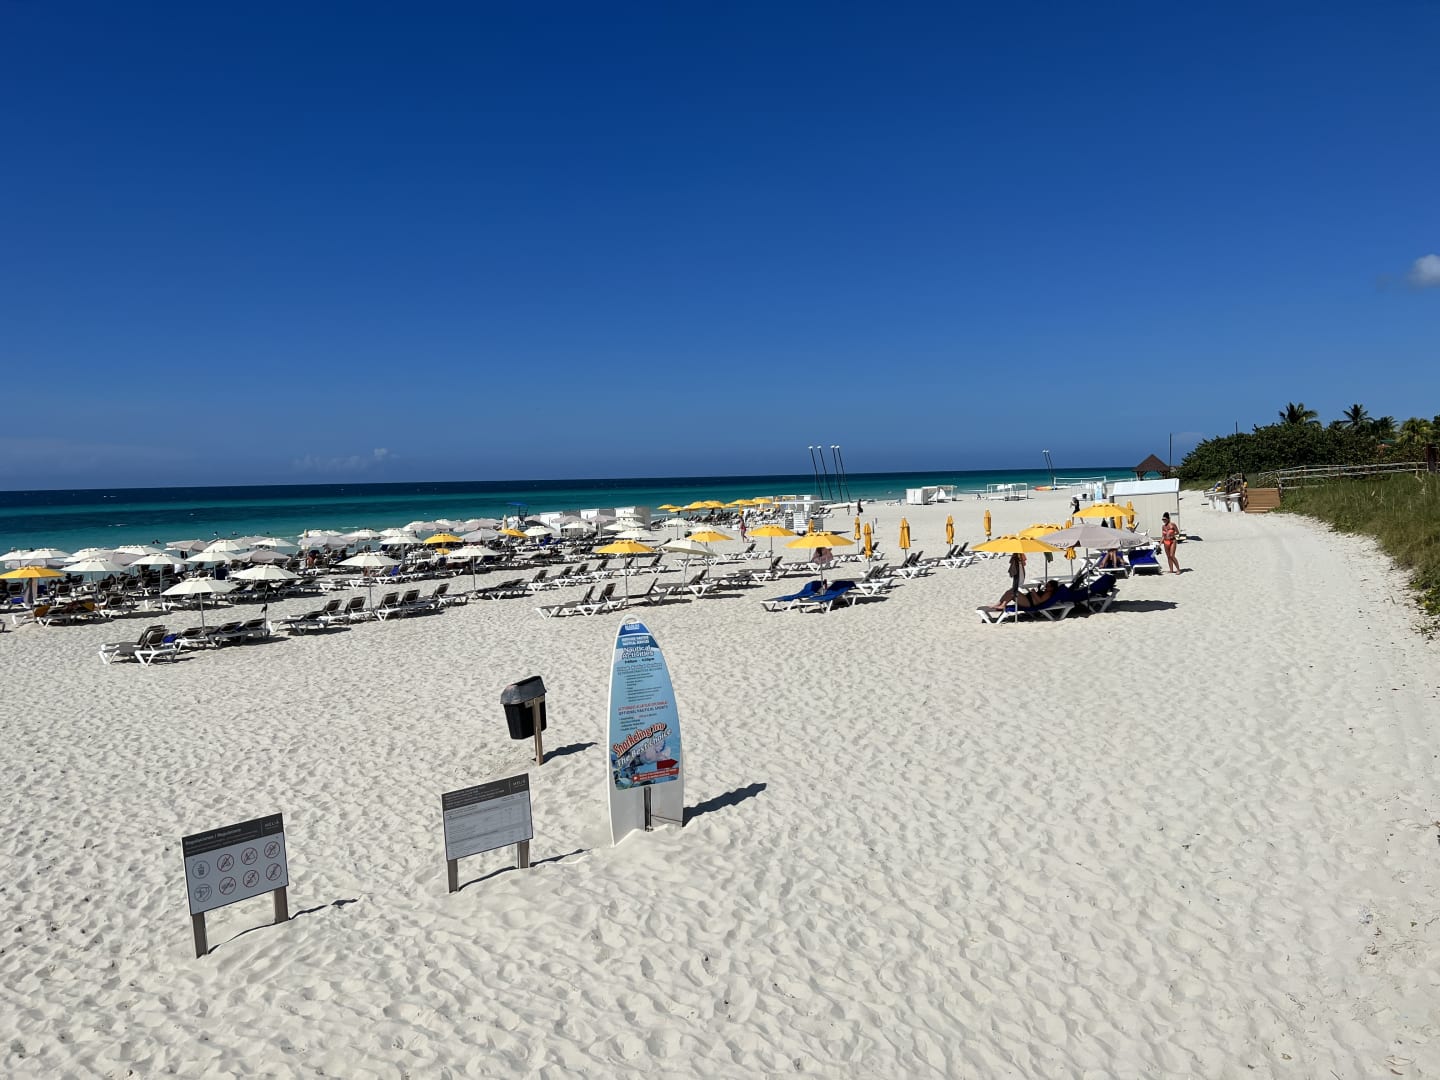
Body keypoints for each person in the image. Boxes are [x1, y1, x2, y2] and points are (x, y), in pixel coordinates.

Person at [989, 580, 1061, 610]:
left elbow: (1040, 601)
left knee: (1013, 592)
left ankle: (1003, 605)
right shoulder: (1047, 592)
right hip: (1028, 599)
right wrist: (1039, 590)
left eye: (1048, 586)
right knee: (1011, 590)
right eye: (1046, 585)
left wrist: (1034, 592)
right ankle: (999, 603)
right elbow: (1040, 597)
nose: (1045, 586)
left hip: (1029, 603)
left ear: (1052, 588)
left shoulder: (1048, 594)